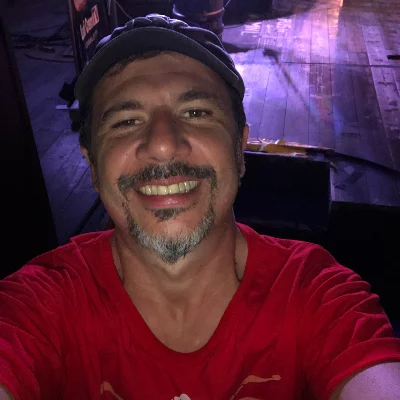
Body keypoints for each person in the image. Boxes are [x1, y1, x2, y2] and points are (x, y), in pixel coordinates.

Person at [1, 14, 400, 400]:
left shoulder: (315, 292)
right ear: (92, 166)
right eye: (126, 121)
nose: (162, 144)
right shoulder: (41, 302)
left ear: (239, 149)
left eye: (196, 113)